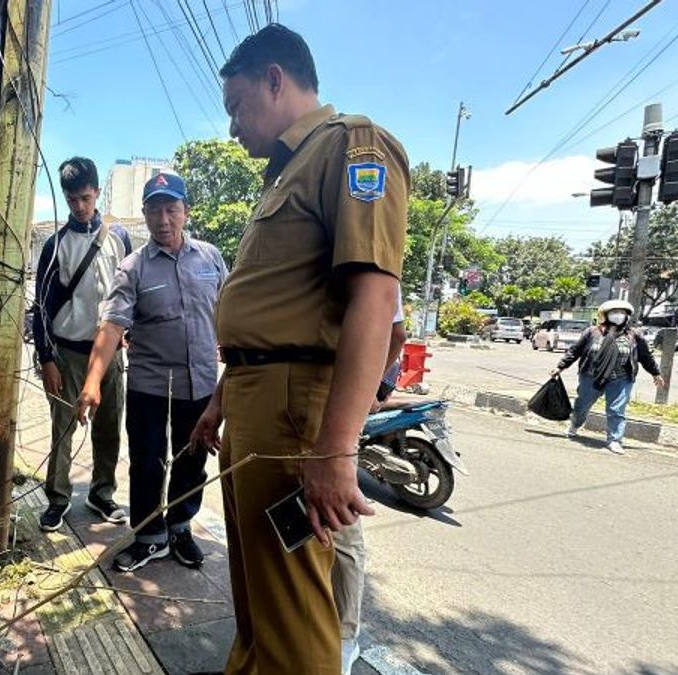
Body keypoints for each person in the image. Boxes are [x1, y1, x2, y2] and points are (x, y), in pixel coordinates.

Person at [189, 24, 409, 675]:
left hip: (292, 414)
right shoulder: (286, 171)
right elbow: (271, 314)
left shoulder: (350, 148)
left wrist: (336, 448)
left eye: (236, 107)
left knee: (295, 611)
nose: (232, 127)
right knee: (260, 597)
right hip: (258, 400)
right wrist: (221, 401)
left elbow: (373, 296)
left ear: (274, 80)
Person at [75, 172, 228, 572]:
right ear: (144, 214)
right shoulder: (133, 267)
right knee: (147, 461)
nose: (164, 219)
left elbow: (229, 314)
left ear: (185, 212)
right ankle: (149, 537)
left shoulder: (211, 258)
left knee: (192, 458)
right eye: (155, 210)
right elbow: (111, 326)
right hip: (150, 385)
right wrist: (92, 382)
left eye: (171, 209)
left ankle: (179, 527)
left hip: (200, 384)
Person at [32, 157, 133, 532]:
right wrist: (46, 359)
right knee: (62, 428)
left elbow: (127, 296)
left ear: (98, 193)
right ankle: (57, 498)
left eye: (86, 198)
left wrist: (129, 334)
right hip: (68, 353)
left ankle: (101, 493)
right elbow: (40, 307)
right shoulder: (55, 245)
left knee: (109, 426)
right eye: (72, 200)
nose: (79, 207)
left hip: (110, 353)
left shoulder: (118, 239)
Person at [333, 286, 408, 675]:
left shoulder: (366, 262)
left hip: (332, 402)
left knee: (343, 530)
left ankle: (345, 636)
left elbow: (395, 335)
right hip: (302, 402)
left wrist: (368, 389)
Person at [551, 299, 664, 455]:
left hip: (621, 378)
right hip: (591, 376)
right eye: (614, 313)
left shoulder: (634, 335)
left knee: (617, 410)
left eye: (622, 313)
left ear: (627, 316)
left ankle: (615, 440)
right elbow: (575, 351)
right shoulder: (592, 332)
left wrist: (655, 373)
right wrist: (560, 367)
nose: (618, 316)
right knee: (582, 405)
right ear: (605, 315)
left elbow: (646, 356)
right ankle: (574, 425)